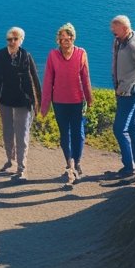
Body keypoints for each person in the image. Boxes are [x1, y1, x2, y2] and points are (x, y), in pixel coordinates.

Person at [40, 22, 94, 184]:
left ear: (72, 38)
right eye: (62, 38)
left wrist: (89, 99)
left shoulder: (81, 53)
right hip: (59, 102)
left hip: (78, 101)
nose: (65, 40)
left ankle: (77, 162)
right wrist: (45, 105)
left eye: (68, 37)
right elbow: (48, 80)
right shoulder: (53, 55)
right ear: (58, 40)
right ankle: (69, 163)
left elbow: (86, 78)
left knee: (79, 133)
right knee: (65, 134)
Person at [0, 26, 41, 180]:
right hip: (5, 100)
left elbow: (34, 80)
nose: (12, 42)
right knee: (7, 133)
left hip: (23, 102)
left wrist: (36, 101)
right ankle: (10, 159)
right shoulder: (0, 55)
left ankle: (21, 168)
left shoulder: (26, 56)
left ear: (21, 40)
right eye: (9, 39)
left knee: (22, 134)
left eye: (15, 39)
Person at [108, 14, 135, 180]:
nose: (113, 33)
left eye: (115, 31)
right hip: (127, 91)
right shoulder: (120, 40)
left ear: (124, 29)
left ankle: (129, 168)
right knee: (132, 126)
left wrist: (125, 86)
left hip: (131, 92)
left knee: (119, 128)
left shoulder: (132, 44)